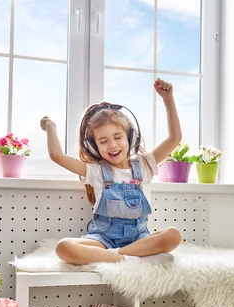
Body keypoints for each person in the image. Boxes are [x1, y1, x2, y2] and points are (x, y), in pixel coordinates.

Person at [40, 78, 182, 265]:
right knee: (64, 247)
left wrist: (168, 98)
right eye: (103, 141)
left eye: (118, 137)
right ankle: (126, 257)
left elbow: (174, 138)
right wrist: (51, 128)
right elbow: (57, 156)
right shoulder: (97, 171)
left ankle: (120, 255)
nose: (112, 145)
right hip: (102, 240)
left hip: (139, 239)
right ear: (93, 146)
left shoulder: (145, 165)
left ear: (129, 137)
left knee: (173, 235)